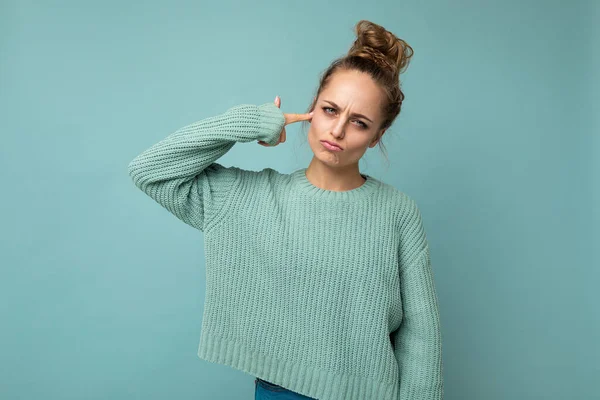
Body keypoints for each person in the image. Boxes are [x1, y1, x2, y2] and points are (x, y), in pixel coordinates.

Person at [128, 20, 443, 400]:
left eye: (359, 122)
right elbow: (151, 172)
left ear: (376, 136)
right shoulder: (250, 197)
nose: (338, 131)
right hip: (282, 393)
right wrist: (246, 123)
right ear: (312, 109)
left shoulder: (397, 212)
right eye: (330, 110)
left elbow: (421, 333)